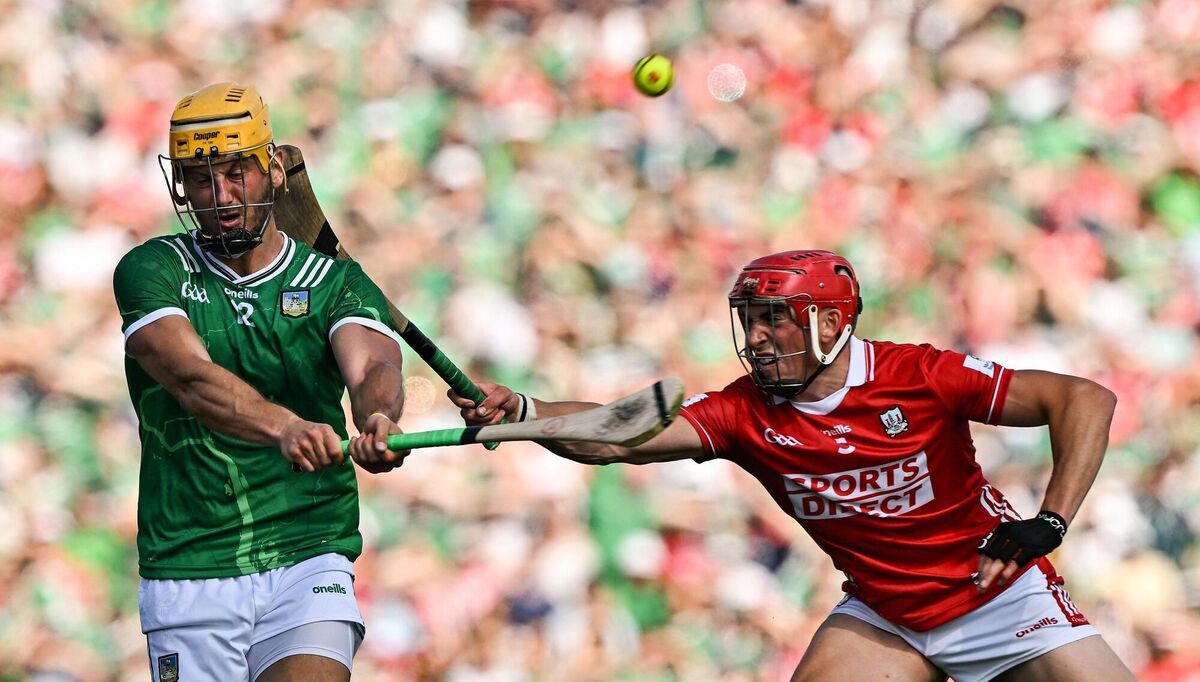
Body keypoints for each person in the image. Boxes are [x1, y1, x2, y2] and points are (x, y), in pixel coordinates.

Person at [450, 249, 1135, 682]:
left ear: (830, 325)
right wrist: (525, 412)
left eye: (773, 319)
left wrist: (1051, 519)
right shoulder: (741, 413)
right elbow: (610, 437)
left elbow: (1083, 399)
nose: (754, 338)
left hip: (998, 597)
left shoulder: (919, 374)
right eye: (748, 320)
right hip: (887, 614)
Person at [113, 82, 409, 681]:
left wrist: (378, 415)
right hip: (189, 566)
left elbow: (374, 366)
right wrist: (286, 427)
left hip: (308, 550)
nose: (220, 194)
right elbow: (191, 379)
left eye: (235, 171)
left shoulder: (335, 281)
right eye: (201, 178)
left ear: (273, 169)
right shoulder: (152, 269)